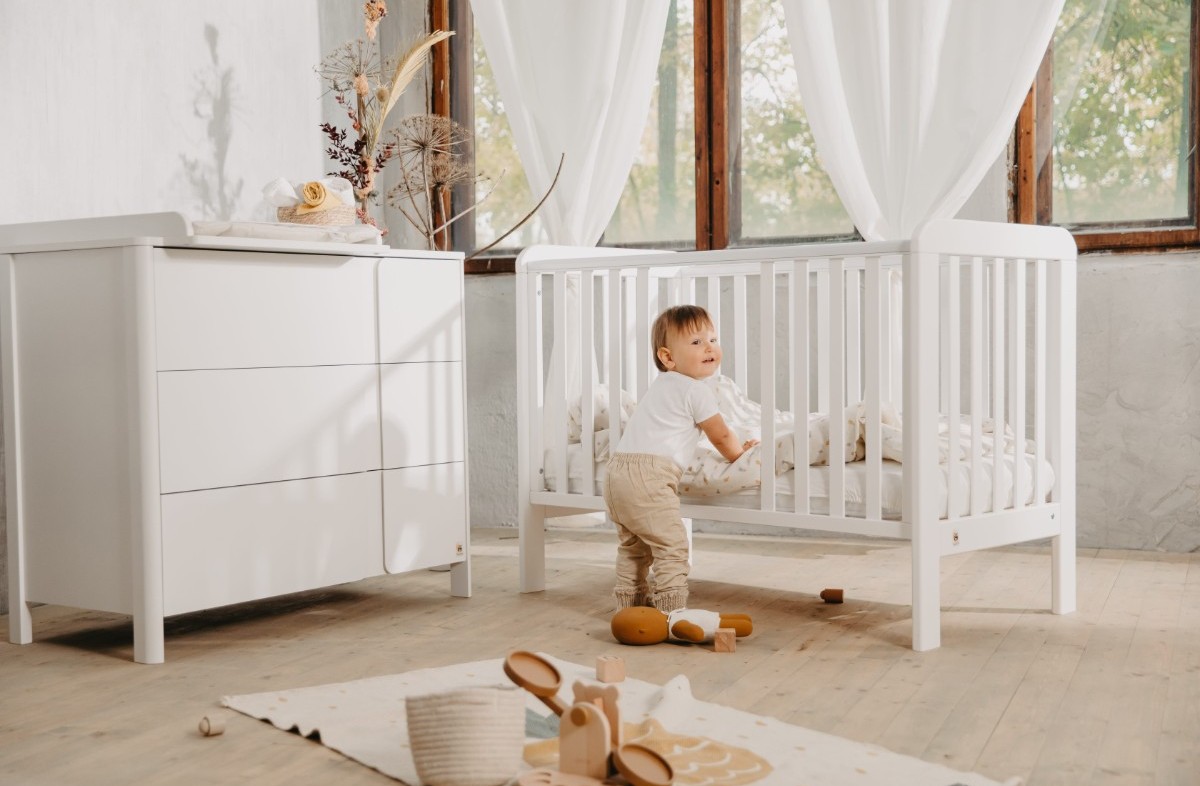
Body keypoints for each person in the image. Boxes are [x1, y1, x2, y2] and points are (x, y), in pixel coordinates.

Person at [603, 305, 758, 613]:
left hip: (616, 474)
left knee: (634, 547)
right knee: (672, 546)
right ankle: (671, 610)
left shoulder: (660, 387)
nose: (709, 347)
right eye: (697, 342)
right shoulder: (695, 390)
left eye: (712, 339)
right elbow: (721, 436)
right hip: (649, 478)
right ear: (668, 357)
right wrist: (741, 454)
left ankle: (629, 606)